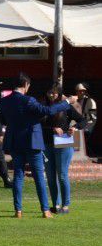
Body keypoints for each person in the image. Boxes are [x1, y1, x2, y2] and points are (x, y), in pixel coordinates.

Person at [0, 72, 74, 218]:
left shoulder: (4, 101)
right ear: (26, 85)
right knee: (39, 176)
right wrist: (66, 103)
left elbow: (4, 120)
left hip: (15, 140)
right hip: (32, 141)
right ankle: (45, 210)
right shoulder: (29, 100)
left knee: (18, 176)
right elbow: (47, 111)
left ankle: (18, 210)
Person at [41, 86, 86, 214]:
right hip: (47, 144)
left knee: (62, 175)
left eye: (54, 93)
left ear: (59, 94)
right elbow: (38, 124)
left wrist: (75, 128)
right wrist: (52, 129)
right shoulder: (42, 107)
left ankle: (65, 205)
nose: (51, 95)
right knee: (50, 176)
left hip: (64, 143)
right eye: (49, 92)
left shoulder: (65, 107)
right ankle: (56, 205)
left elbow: (82, 120)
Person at [75, 83, 97, 155]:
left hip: (87, 124)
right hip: (77, 124)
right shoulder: (75, 100)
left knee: (83, 137)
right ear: (76, 92)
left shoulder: (90, 101)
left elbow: (93, 118)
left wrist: (87, 128)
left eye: (83, 91)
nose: (82, 92)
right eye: (79, 91)